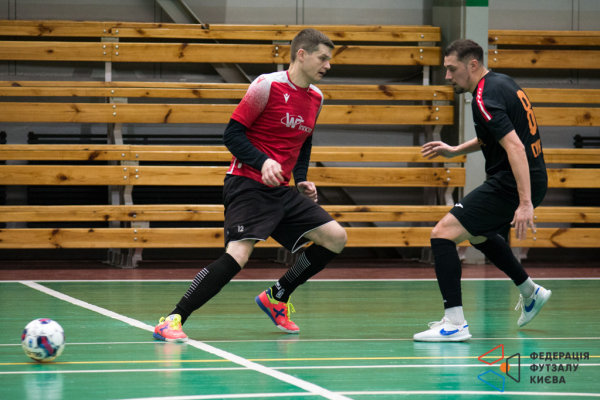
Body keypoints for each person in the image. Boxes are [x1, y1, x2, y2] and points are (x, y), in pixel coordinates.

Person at [153, 28, 347, 342]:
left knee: (335, 238)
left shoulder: (316, 97)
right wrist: (263, 162)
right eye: (322, 58)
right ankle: (173, 319)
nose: (328, 65)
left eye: (329, 59)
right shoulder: (266, 85)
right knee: (238, 255)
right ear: (301, 54)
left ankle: (277, 296)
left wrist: (301, 180)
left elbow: (304, 142)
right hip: (247, 183)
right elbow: (231, 135)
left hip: (281, 190)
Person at [415, 39, 551, 342]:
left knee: (442, 234)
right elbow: (498, 135)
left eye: (452, 69)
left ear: (472, 65)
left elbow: (515, 147)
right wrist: (455, 150)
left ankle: (454, 324)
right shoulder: (501, 83)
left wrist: (525, 202)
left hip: (512, 182)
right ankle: (530, 292)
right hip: (528, 177)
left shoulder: (483, 97)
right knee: (478, 234)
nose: (448, 76)